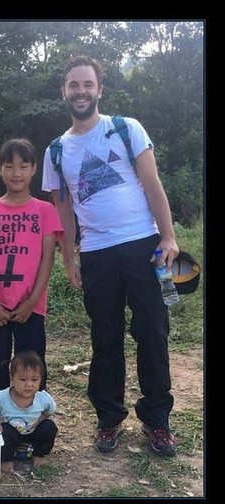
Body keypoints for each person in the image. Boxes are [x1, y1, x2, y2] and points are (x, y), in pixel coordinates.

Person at [42, 55, 179, 457]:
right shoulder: (56, 151)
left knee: (152, 330)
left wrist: (168, 237)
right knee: (105, 336)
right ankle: (108, 418)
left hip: (143, 244)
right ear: (63, 92)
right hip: (96, 253)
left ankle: (157, 420)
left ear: (99, 89)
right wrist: (70, 259)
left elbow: (152, 183)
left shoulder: (125, 128)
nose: (81, 91)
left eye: (88, 84)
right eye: (74, 85)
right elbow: (63, 211)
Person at [0, 138, 64, 399]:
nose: (16, 173)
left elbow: (47, 259)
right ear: (0, 169)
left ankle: (33, 412)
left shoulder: (45, 210)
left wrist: (33, 301)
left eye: (23, 166)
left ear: (34, 169)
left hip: (30, 304)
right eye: (9, 166)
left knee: (31, 363)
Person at [0, 349, 58, 472]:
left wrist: (40, 420)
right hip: (12, 434)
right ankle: (7, 459)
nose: (29, 384)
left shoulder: (43, 398)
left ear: (41, 379)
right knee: (5, 431)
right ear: (12, 378)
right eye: (23, 379)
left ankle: (38, 454)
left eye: (34, 380)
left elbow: (49, 411)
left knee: (49, 426)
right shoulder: (1, 397)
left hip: (33, 432)